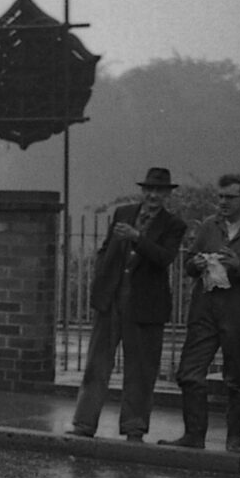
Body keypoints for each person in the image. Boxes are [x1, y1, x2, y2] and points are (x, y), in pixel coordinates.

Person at [66, 167, 187, 441]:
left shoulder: (173, 224)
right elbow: (107, 247)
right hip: (111, 301)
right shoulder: (122, 213)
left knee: (141, 370)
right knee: (96, 365)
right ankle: (83, 424)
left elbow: (164, 257)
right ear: (142, 191)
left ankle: (134, 428)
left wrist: (137, 238)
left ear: (167, 194)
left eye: (159, 191)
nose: (153, 195)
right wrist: (102, 274)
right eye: (149, 189)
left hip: (145, 306)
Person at [159, 172, 240, 452]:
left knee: (239, 379)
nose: (223, 202)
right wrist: (196, 263)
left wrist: (239, 266)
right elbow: (187, 263)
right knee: (189, 372)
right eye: (220, 197)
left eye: (230, 197)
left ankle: (233, 440)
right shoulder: (209, 227)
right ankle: (194, 435)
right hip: (205, 309)